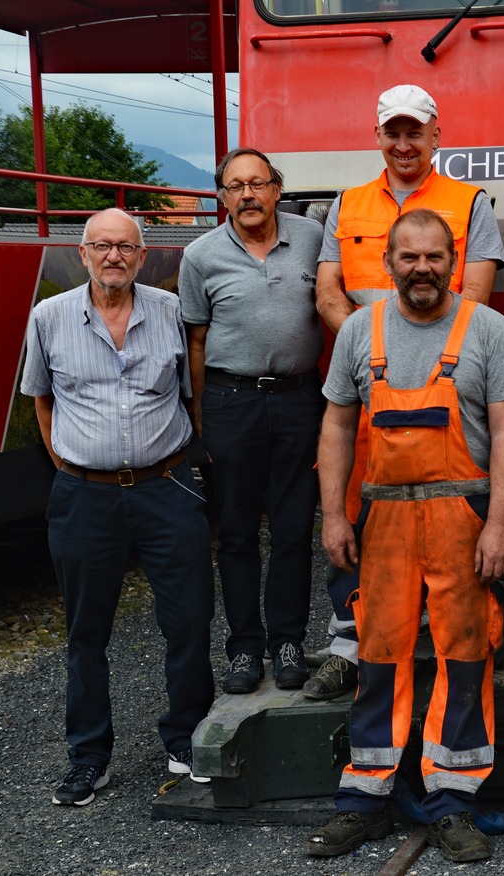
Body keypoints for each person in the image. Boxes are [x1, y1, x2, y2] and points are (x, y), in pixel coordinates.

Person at [305, 210, 504, 863]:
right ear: (389, 261)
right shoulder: (358, 332)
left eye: (435, 256)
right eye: (410, 257)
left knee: (465, 656)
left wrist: (498, 523)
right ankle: (364, 799)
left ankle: (454, 801)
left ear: (454, 257)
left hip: (462, 516)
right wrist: (335, 516)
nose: (423, 268)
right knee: (377, 657)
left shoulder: (487, 331)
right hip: (385, 520)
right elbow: (337, 429)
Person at [303, 83, 504, 703]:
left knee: (446, 517)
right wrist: (371, 353)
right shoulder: (347, 204)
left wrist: (418, 360)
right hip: (367, 388)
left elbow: (474, 293)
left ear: (436, 135)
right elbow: (328, 293)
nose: (403, 143)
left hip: (443, 394)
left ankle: (439, 633)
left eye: (414, 132)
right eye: (392, 132)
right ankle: (348, 640)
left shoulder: (469, 203)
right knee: (352, 507)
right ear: (377, 137)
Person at [21, 208, 215, 806]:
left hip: (166, 486)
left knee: (188, 619)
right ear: (83, 253)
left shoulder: (170, 312)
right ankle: (89, 757)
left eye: (125, 248)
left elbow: (192, 394)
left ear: (142, 256)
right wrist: (76, 473)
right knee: (86, 631)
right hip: (85, 494)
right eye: (102, 246)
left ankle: (186, 739)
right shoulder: (49, 317)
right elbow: (43, 404)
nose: (114, 257)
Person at [180, 148, 326, 694]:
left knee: (293, 529)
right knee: (237, 532)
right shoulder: (200, 256)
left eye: (256, 184)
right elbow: (195, 339)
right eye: (234, 186)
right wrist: (198, 417)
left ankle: (287, 641)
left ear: (276, 187)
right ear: (222, 196)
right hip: (229, 400)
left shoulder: (312, 239)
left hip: (298, 399)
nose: (247, 195)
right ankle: (243, 647)